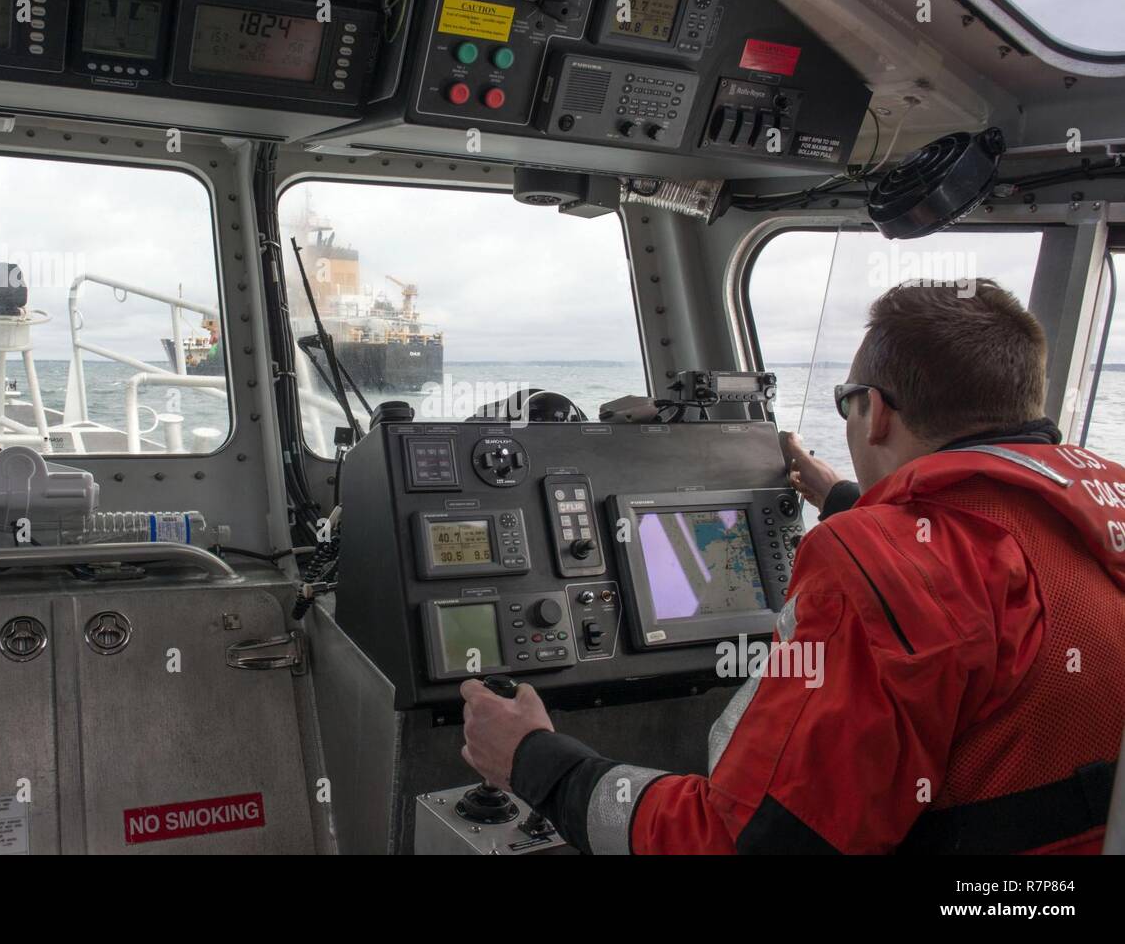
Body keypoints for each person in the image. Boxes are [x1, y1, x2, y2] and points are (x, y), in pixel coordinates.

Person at [460, 279, 1125, 854]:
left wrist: (536, 762)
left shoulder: (869, 565)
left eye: (847, 399)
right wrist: (846, 499)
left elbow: (735, 842)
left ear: (877, 414)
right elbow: (990, 546)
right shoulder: (1097, 515)